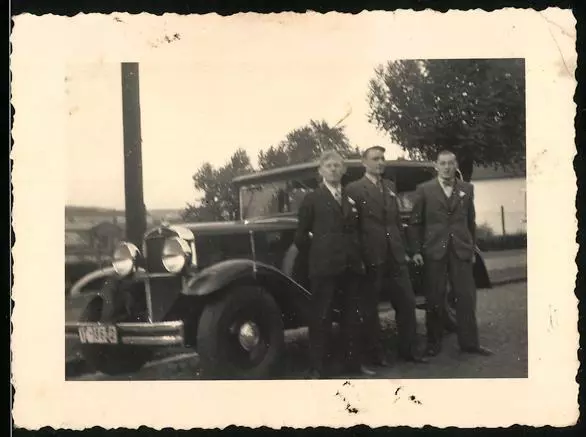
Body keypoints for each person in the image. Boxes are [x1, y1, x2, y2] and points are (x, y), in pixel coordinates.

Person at [294, 150, 377, 379]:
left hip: (350, 268)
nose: (333, 169)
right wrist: (322, 251)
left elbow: (356, 232)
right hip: (324, 269)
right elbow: (300, 237)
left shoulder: (349, 198)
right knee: (321, 318)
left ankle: (354, 365)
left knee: (352, 318)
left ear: (343, 170)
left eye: (337, 165)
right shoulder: (312, 199)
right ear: (320, 171)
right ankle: (318, 368)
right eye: (328, 166)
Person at [346, 146, 429, 366]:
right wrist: (359, 258)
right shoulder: (354, 189)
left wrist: (407, 251)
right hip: (371, 256)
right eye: (375, 159)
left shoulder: (390, 187)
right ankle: (376, 355)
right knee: (369, 309)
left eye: (383, 159)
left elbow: (396, 224)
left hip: (396, 255)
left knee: (407, 303)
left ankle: (409, 350)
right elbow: (352, 229)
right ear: (364, 163)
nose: (380, 162)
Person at [409, 150, 493, 357]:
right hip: (434, 251)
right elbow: (415, 224)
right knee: (435, 297)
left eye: (450, 163)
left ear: (456, 166)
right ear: (436, 166)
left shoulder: (467, 188)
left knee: (466, 297)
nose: (446, 167)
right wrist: (417, 250)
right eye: (442, 163)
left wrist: (472, 247)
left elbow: (470, 221)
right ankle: (433, 343)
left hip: (461, 250)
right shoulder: (424, 190)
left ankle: (470, 344)